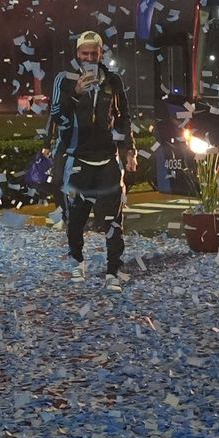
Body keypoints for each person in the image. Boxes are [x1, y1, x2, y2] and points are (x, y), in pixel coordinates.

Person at [47, 30, 135, 290]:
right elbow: (56, 114)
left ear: (100, 54)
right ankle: (77, 260)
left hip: (107, 159)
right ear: (77, 54)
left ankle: (113, 271)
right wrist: (75, 92)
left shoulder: (112, 81)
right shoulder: (64, 80)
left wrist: (129, 149)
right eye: (84, 54)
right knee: (75, 219)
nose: (89, 58)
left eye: (93, 54)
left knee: (112, 220)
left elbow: (124, 117)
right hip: (76, 158)